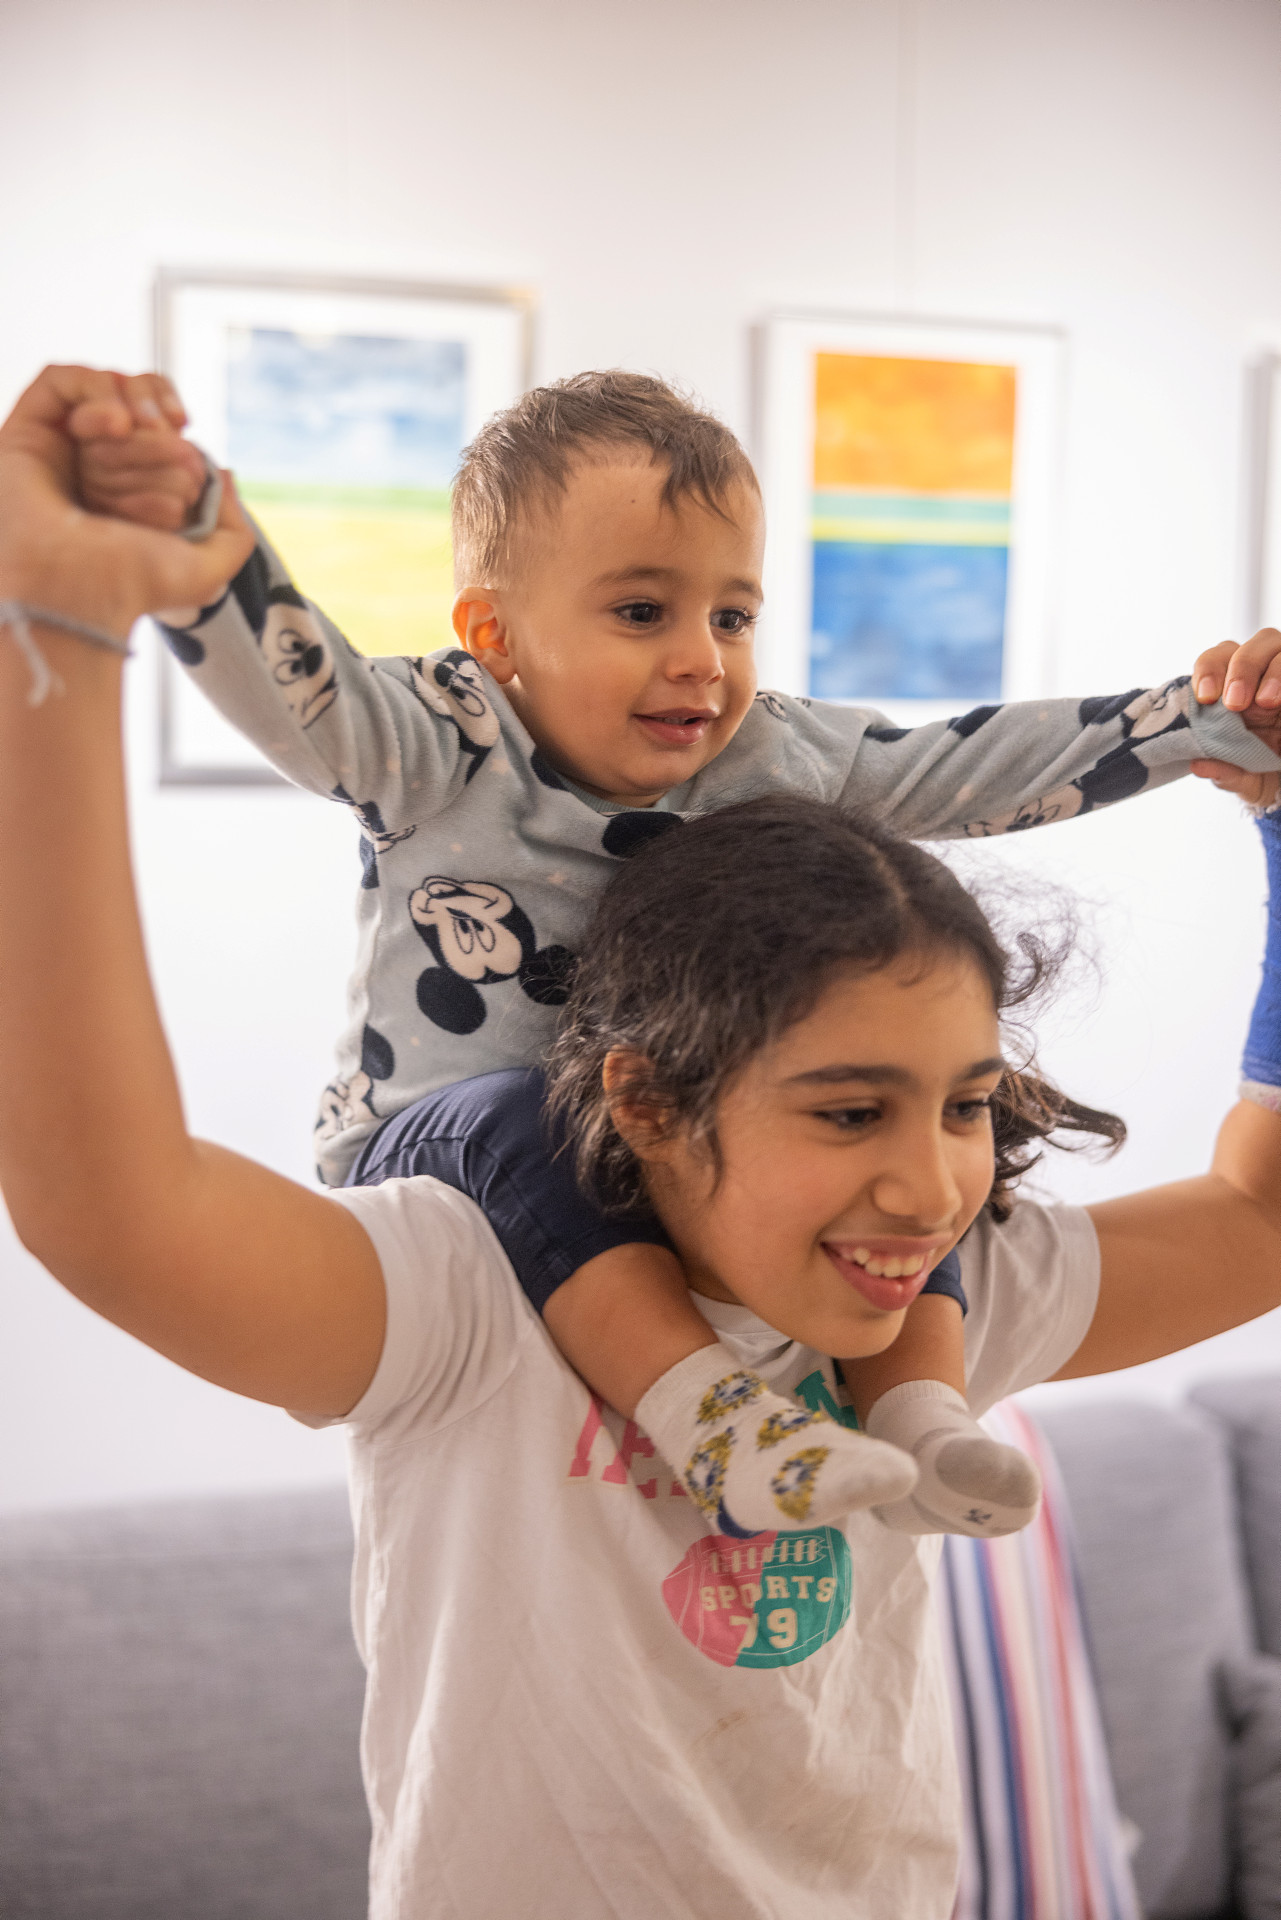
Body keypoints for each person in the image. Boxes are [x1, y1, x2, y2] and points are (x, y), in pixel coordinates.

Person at [5, 361, 1281, 1918]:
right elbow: (110, 1200)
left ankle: (916, 1419)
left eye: (963, 1104)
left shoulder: (895, 1259)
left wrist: (1233, 759)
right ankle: (706, 1414)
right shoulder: (464, 1301)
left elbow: (1253, 1203)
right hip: (466, 1146)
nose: (928, 1184)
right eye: (848, 1111)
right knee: (510, 1128)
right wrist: (78, 617)